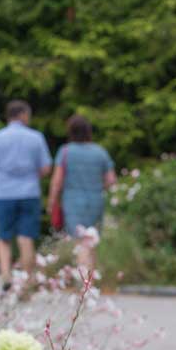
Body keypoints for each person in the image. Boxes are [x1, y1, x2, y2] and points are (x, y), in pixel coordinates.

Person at [0, 100, 53, 292]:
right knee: (25, 237)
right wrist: (30, 175)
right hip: (29, 192)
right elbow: (46, 168)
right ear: (22, 115)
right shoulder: (36, 137)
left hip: (3, 193)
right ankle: (28, 280)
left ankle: (6, 275)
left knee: (3, 237)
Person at [48, 114, 117, 279]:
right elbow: (111, 180)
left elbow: (57, 181)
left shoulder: (65, 151)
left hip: (72, 202)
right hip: (95, 201)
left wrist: (52, 201)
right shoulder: (100, 152)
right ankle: (90, 279)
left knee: (81, 242)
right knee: (91, 241)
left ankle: (84, 283)